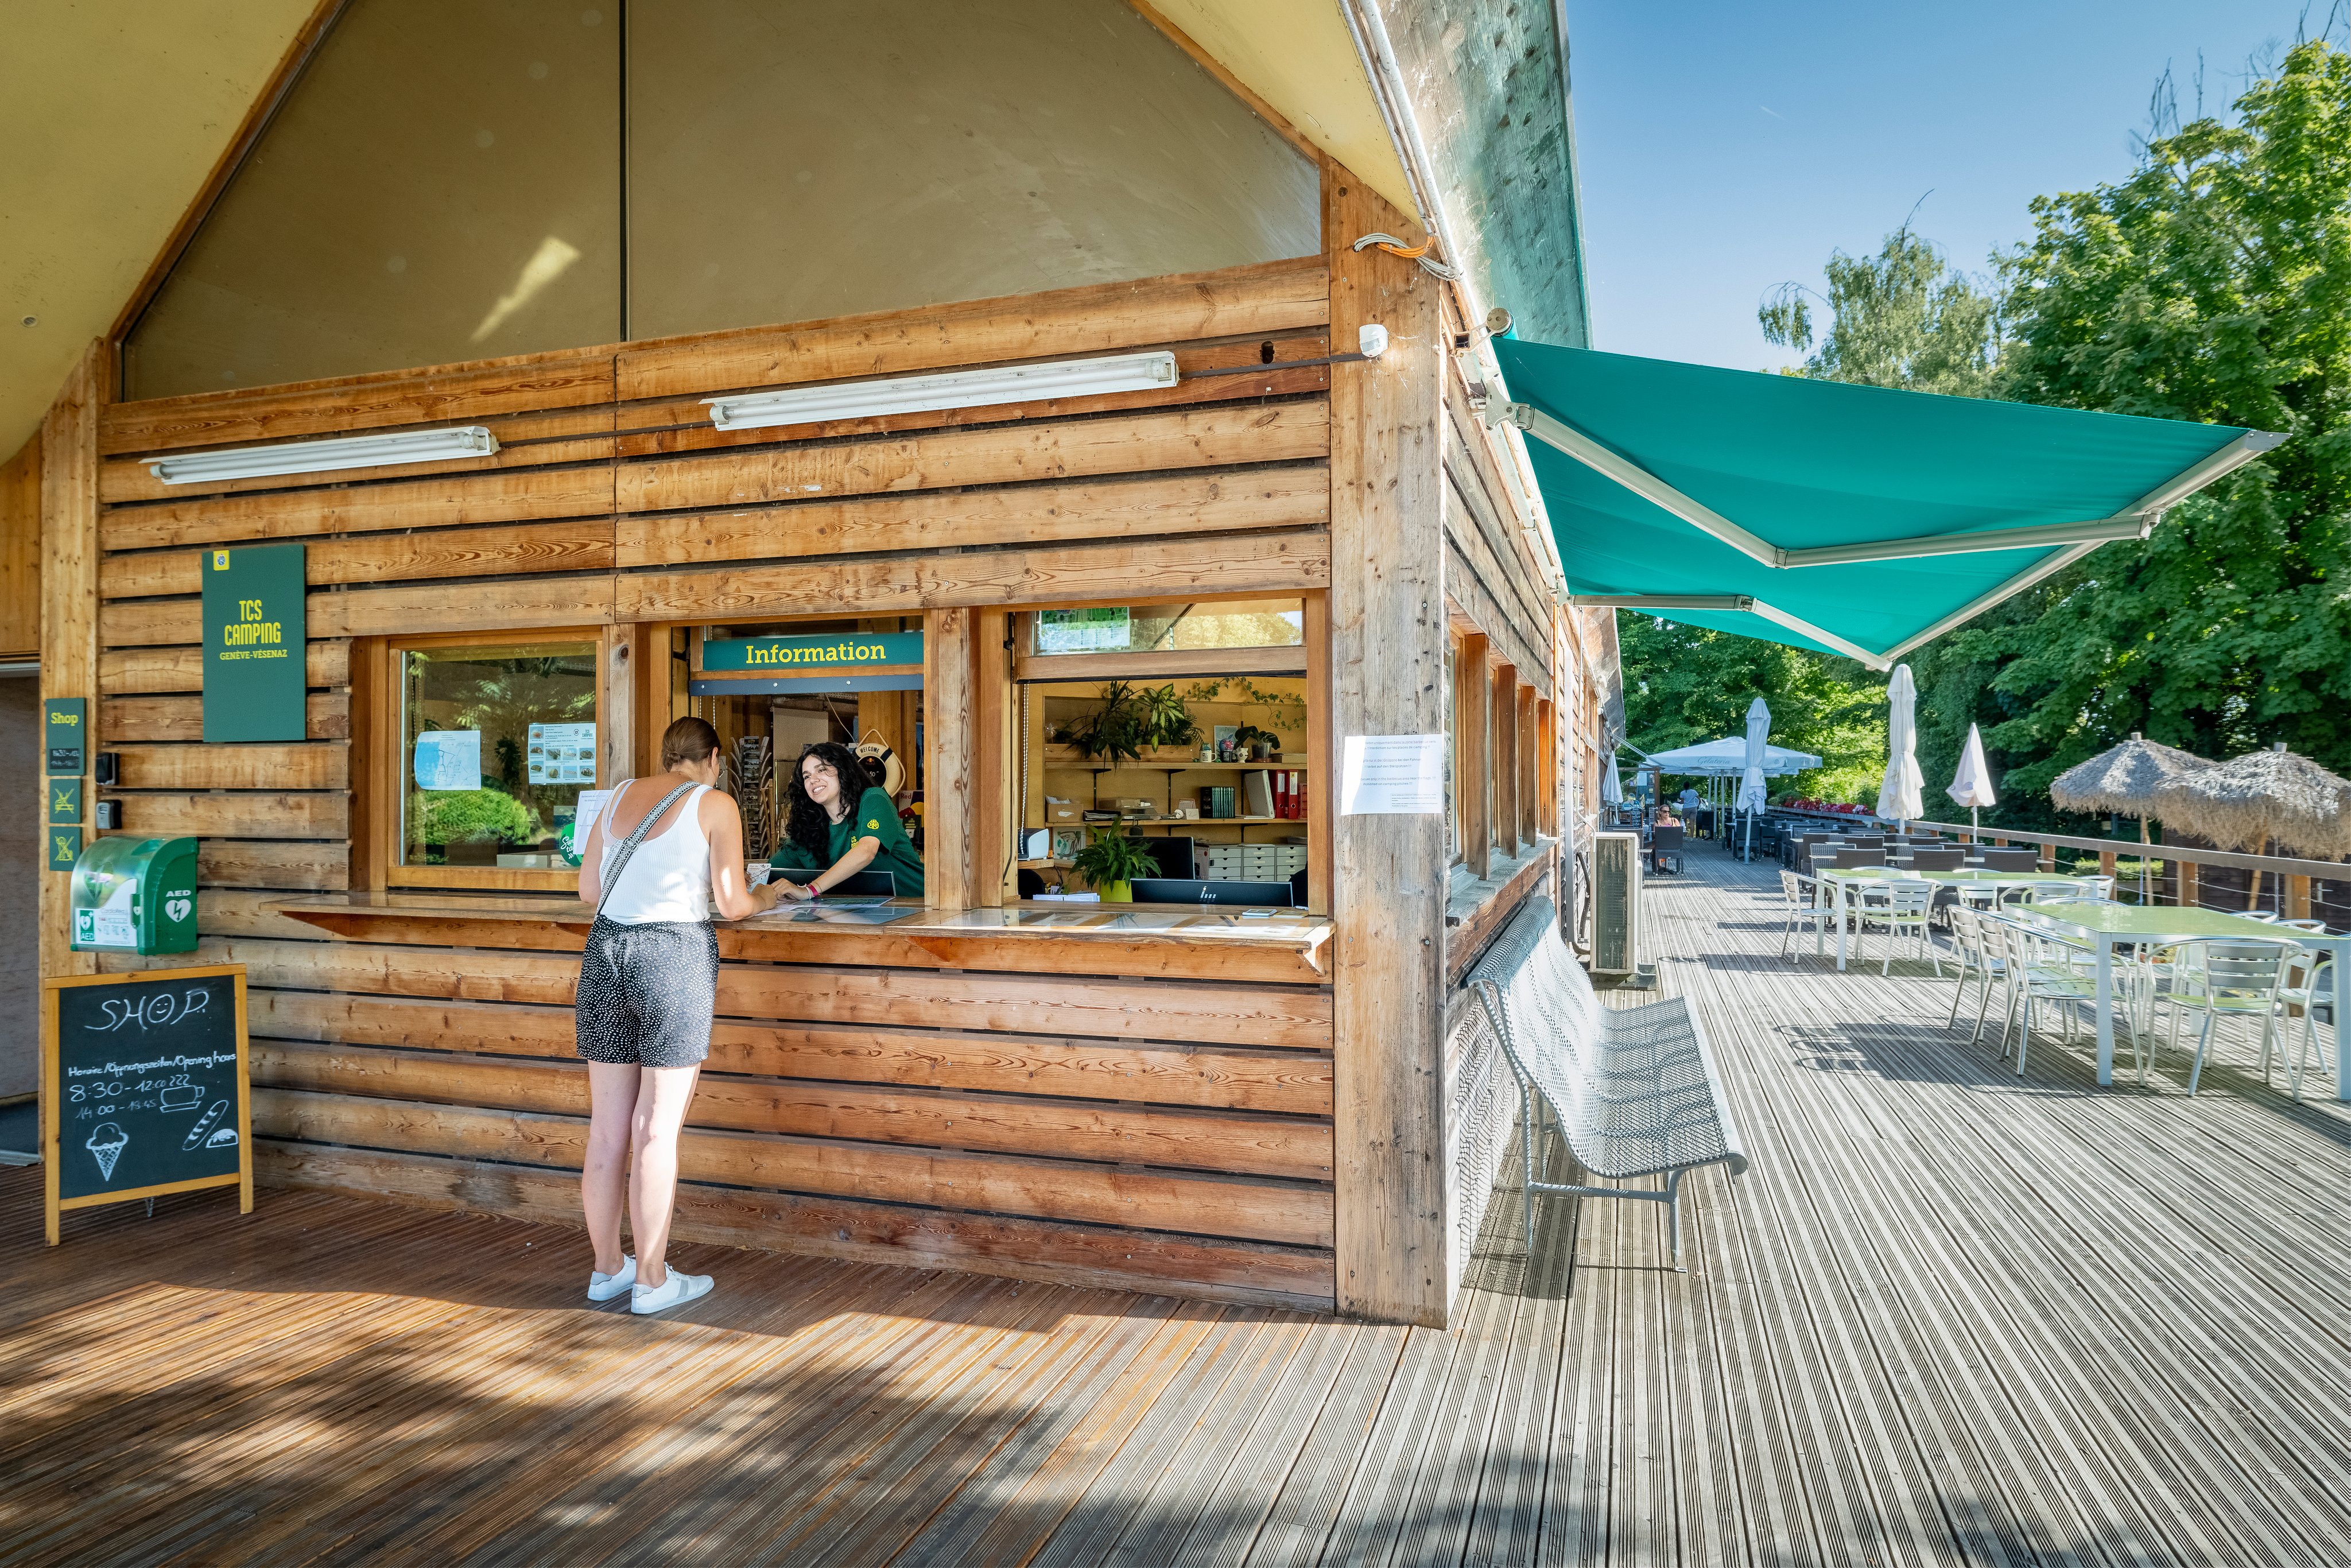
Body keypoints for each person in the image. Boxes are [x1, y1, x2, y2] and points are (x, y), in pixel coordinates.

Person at [575, 716, 785, 1314]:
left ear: (667, 755)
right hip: (673, 956)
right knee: (656, 1129)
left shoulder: (617, 794)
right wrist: (769, 893)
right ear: (714, 757)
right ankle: (652, 1277)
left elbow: (589, 888)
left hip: (605, 952)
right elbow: (733, 902)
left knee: (609, 1129)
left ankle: (606, 1269)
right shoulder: (714, 804)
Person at [768, 740, 925, 900]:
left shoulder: (873, 799)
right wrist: (746, 878)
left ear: (843, 771)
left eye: (821, 770)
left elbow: (866, 852)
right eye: (806, 776)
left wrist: (810, 890)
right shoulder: (809, 830)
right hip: (863, 915)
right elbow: (768, 872)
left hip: (918, 906)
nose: (812, 780)